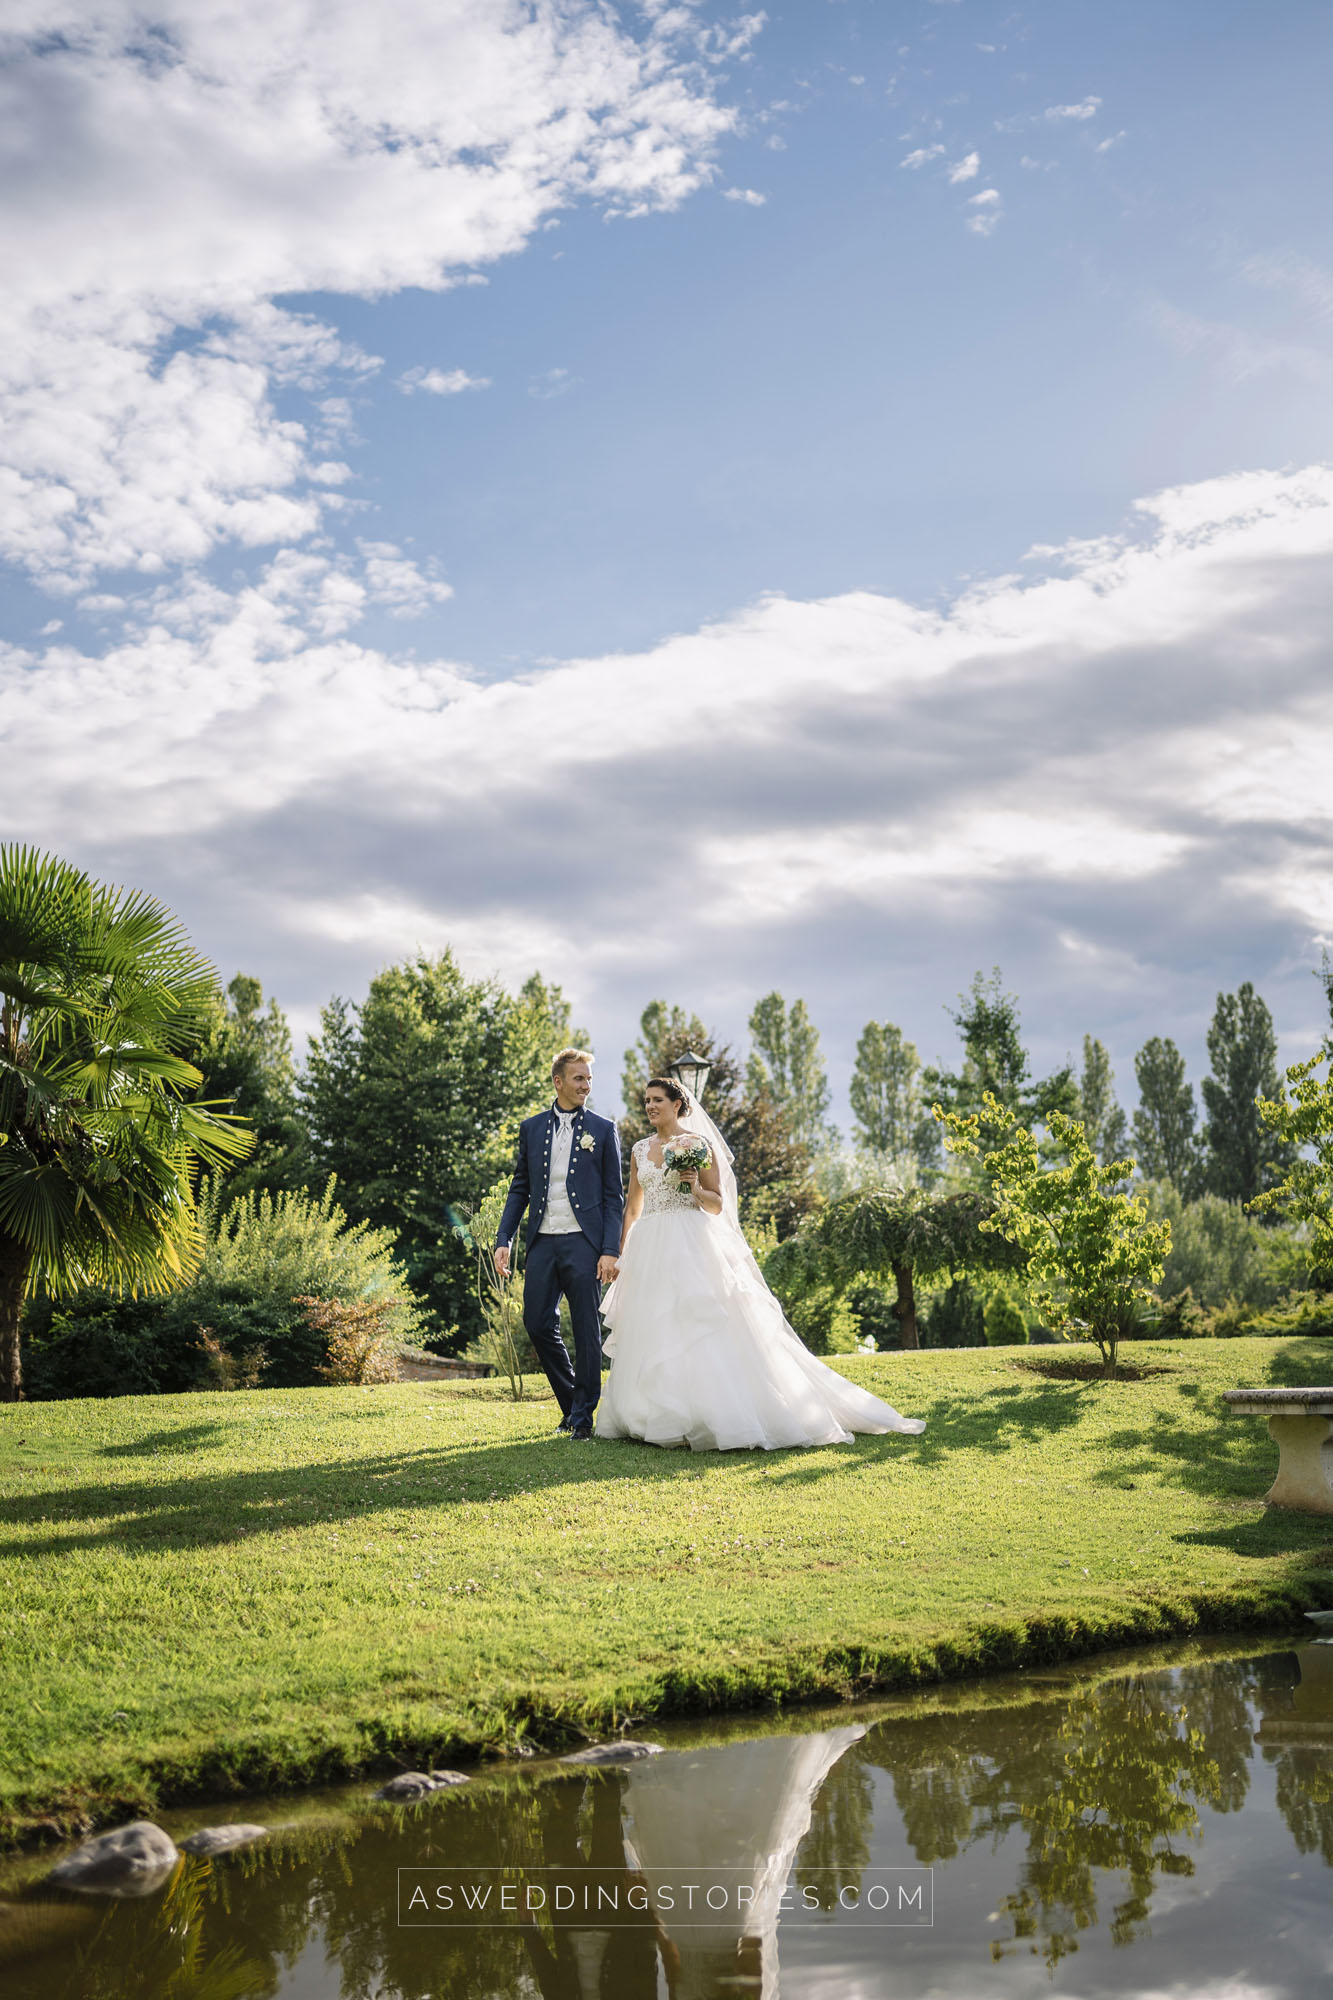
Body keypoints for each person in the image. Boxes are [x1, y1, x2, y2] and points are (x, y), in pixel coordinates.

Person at [596, 1077, 925, 1451]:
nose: (650, 1106)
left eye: (657, 1100)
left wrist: (694, 1186)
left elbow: (716, 1203)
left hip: (689, 1241)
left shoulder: (697, 1145)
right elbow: (633, 1206)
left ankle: (705, 1415)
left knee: (696, 1321)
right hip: (650, 1244)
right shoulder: (640, 1149)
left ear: (678, 1104)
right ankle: (646, 1415)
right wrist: (622, 1253)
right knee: (653, 1323)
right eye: (646, 1101)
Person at [495, 1049, 624, 1439]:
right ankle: (573, 1404)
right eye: (579, 1079)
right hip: (542, 1243)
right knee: (536, 1322)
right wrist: (505, 1238)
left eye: (589, 1079)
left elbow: (613, 1196)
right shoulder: (531, 1128)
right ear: (558, 1082)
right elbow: (520, 1188)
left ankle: (582, 1419)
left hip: (584, 1244)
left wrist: (609, 1249)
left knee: (586, 1329)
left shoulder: (603, 1130)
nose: (586, 1085)